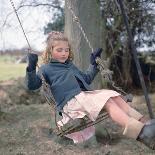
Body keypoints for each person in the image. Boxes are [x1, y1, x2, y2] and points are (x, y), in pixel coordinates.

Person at [25, 31, 155, 150]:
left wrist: (93, 64)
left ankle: (145, 123)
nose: (64, 53)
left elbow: (86, 79)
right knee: (108, 103)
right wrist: (31, 68)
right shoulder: (46, 69)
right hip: (71, 104)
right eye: (59, 50)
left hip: (84, 97)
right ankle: (140, 132)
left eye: (66, 50)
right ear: (50, 51)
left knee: (114, 97)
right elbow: (32, 85)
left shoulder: (70, 65)